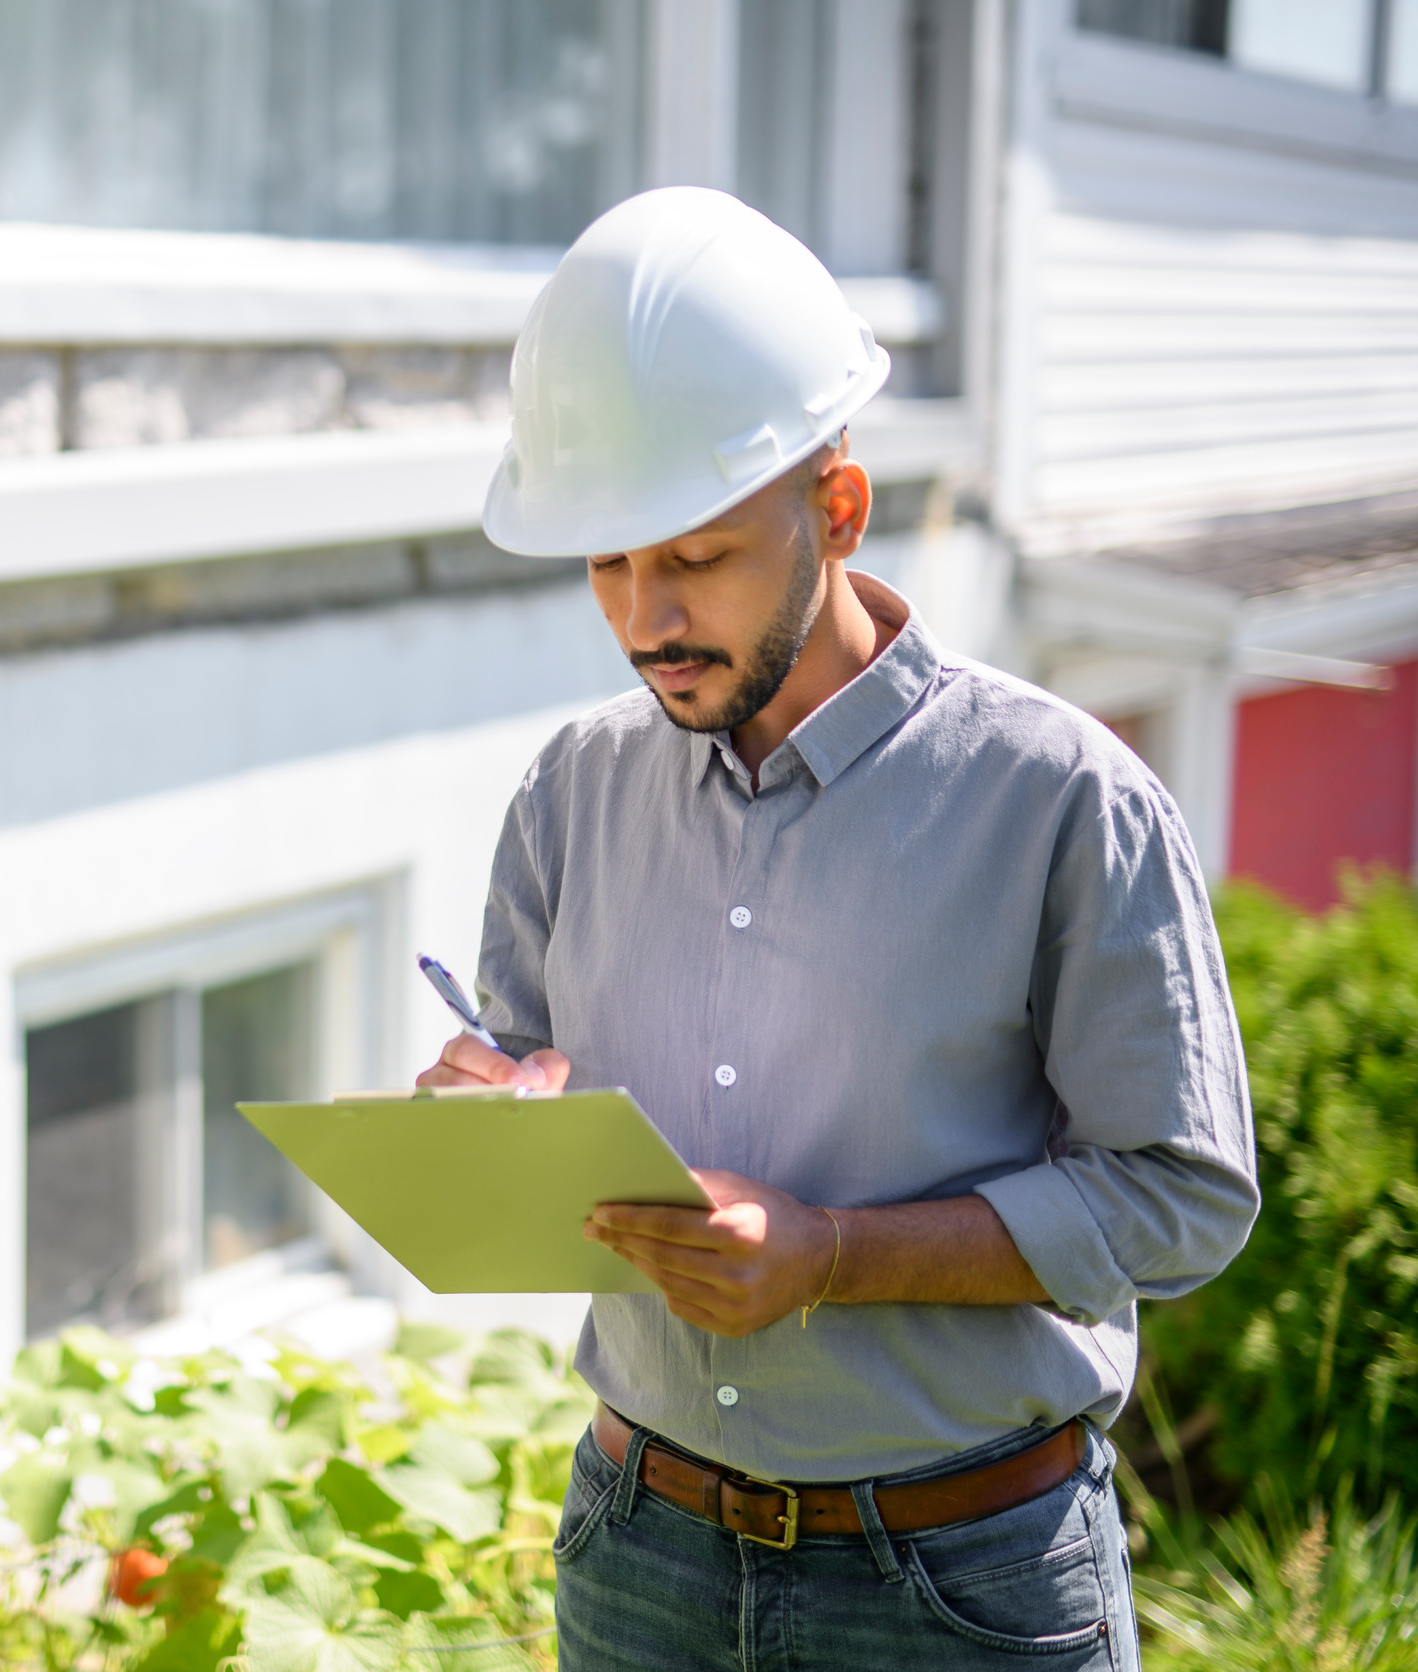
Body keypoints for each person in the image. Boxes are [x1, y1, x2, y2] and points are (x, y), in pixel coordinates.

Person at [419, 188, 1258, 1668]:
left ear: (839, 510)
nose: (644, 619)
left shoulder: (1062, 799)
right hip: (639, 1555)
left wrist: (837, 1255)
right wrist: (491, 1121)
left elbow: (1183, 1199)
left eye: (695, 558)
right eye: (608, 563)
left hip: (961, 1586)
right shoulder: (574, 786)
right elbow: (524, 1068)